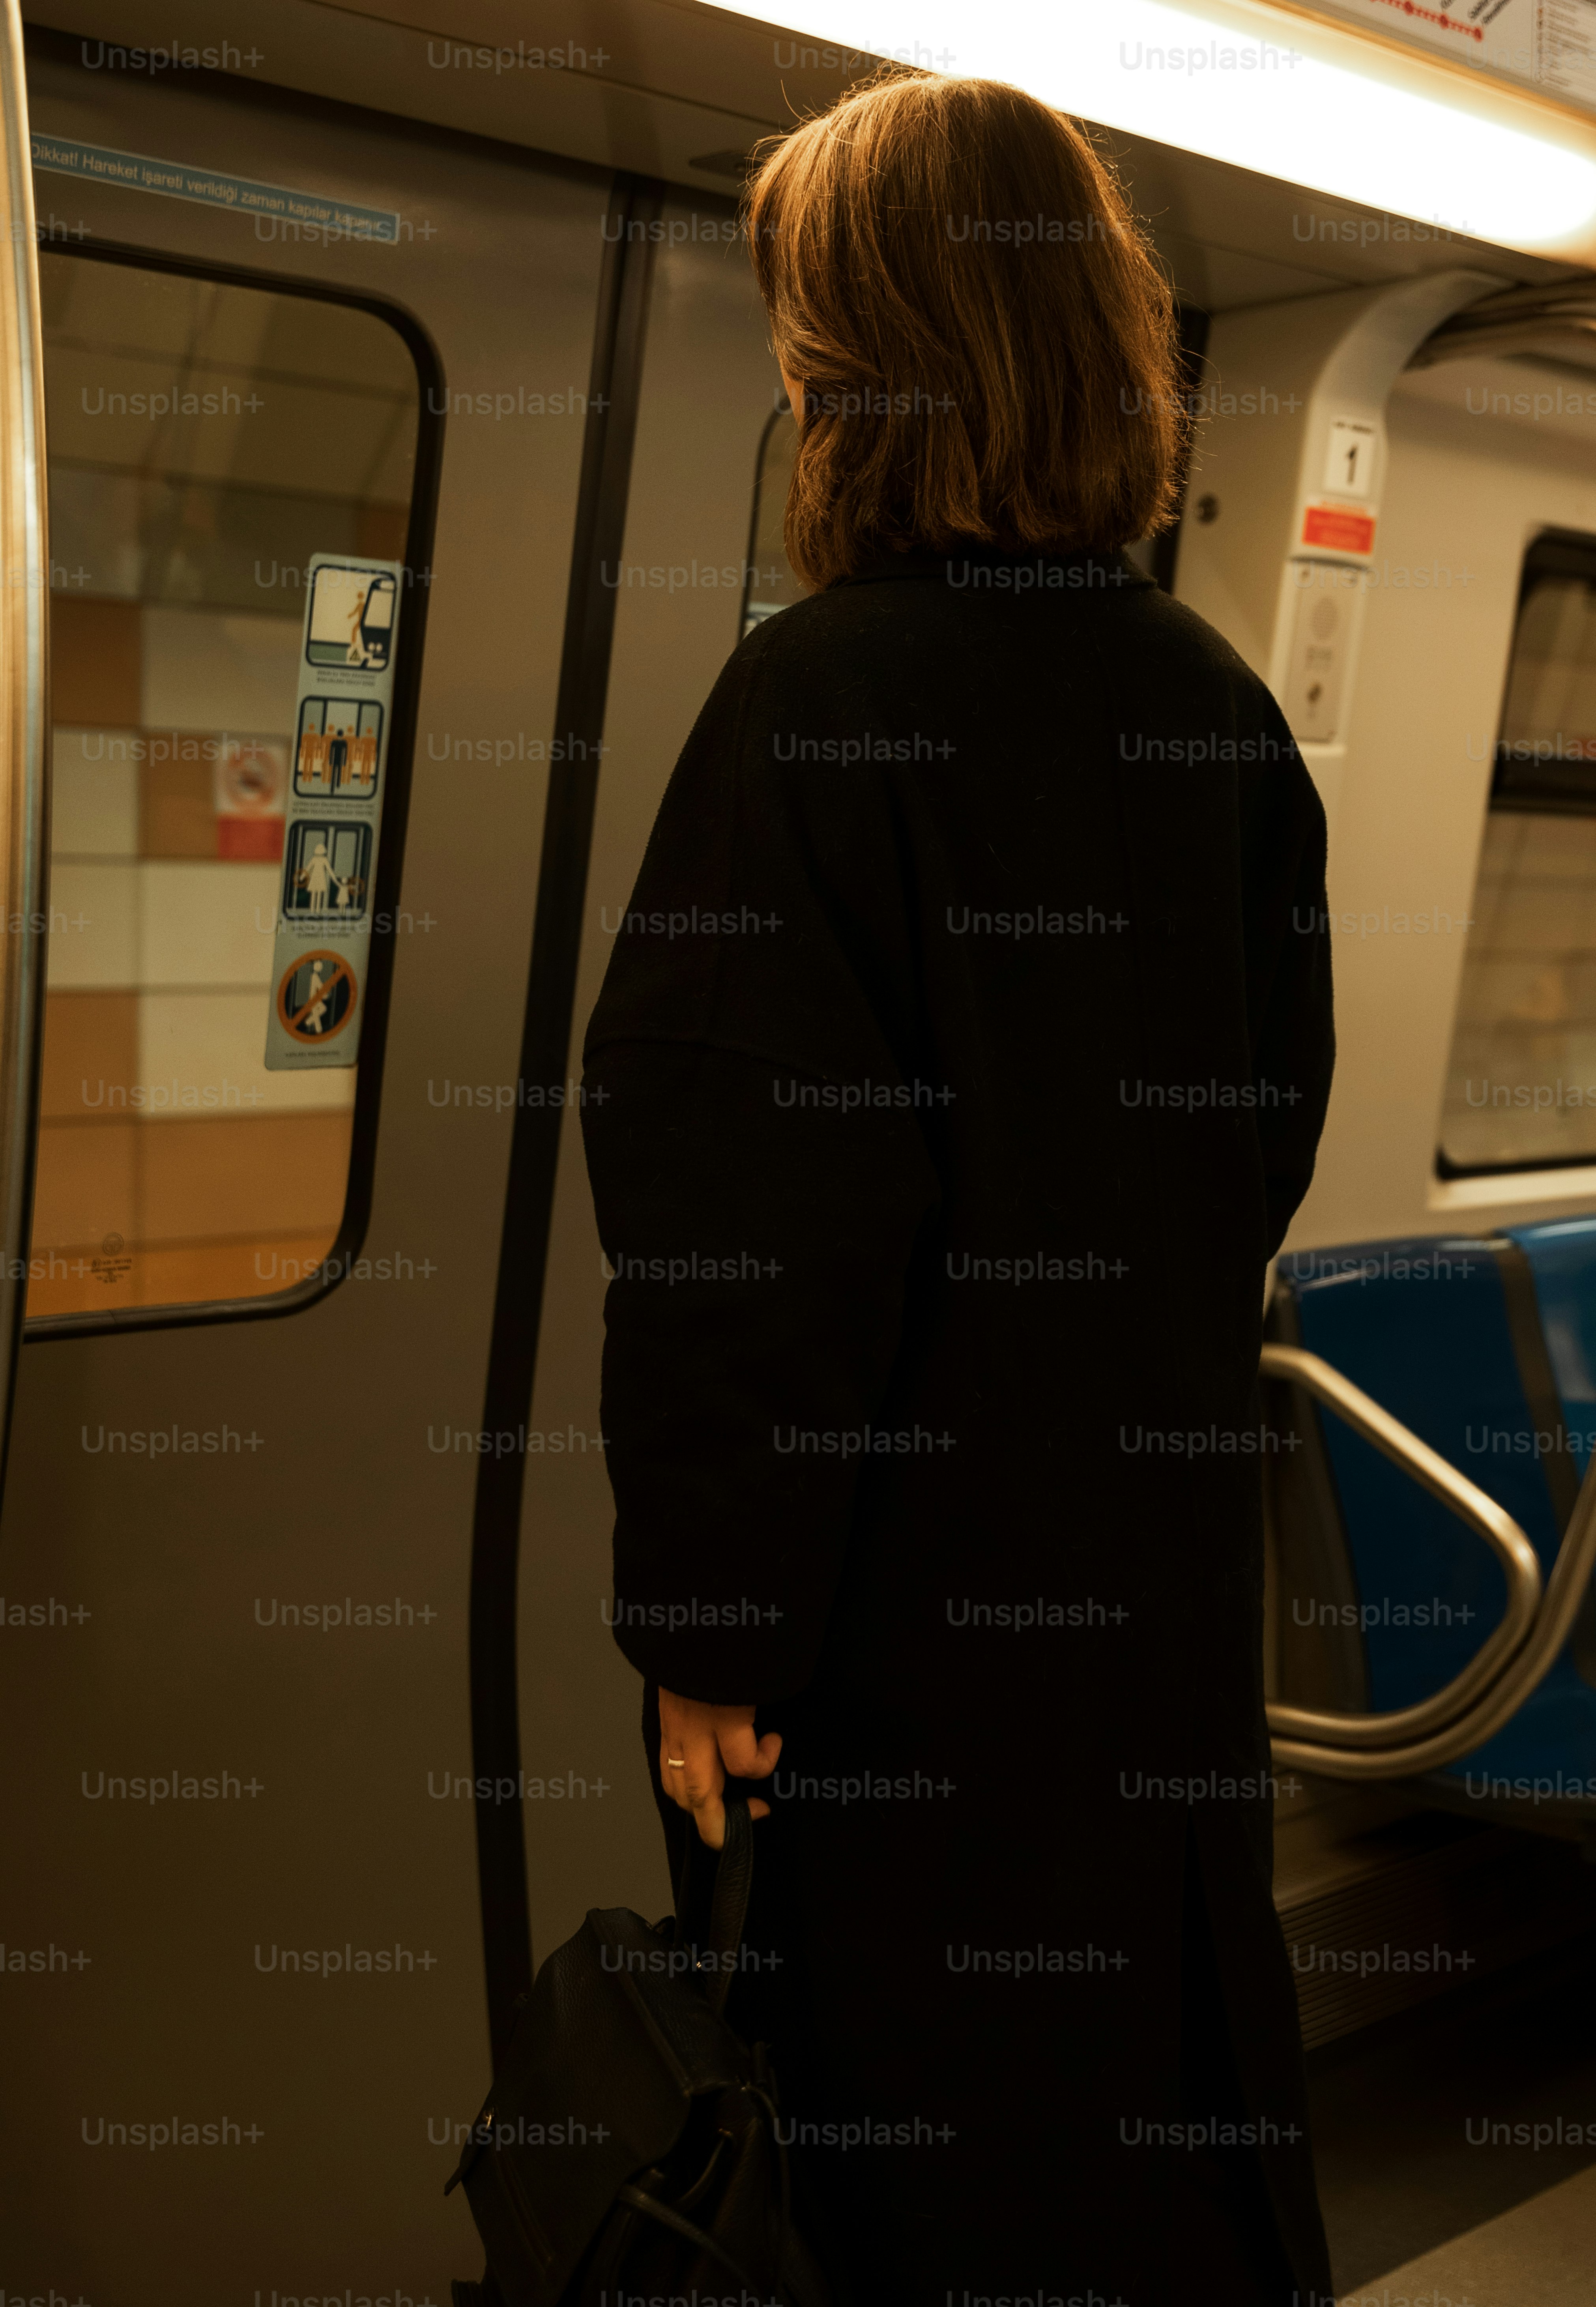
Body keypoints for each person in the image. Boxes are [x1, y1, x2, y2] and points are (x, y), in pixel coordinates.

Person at [580, 69, 1335, 2307]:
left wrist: (710, 1635)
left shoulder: (817, 714)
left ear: (871, 371)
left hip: (896, 1659)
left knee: (898, 2177)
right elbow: (1252, 1148)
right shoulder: (1217, 720)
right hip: (1151, 1631)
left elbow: (750, 1225)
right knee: (1131, 2137)